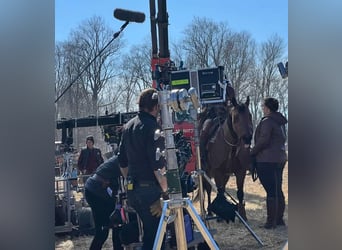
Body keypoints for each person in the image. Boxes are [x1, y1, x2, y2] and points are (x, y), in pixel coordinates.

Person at [118, 88, 168, 250]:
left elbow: (122, 161)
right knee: (156, 237)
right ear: (155, 106)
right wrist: (165, 194)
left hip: (132, 191)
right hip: (150, 193)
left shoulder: (128, 126)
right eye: (159, 107)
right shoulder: (152, 127)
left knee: (150, 233)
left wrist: (131, 180)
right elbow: (157, 165)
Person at [250, 97, 288, 229]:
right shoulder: (280, 122)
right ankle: (279, 219)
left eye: (262, 106)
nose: (262, 108)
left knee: (271, 190)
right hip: (280, 158)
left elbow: (263, 140)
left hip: (267, 160)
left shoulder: (267, 121)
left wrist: (252, 152)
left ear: (267, 108)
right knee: (277, 188)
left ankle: (270, 222)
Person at [84, 155, 123, 250]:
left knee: (115, 225)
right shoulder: (125, 158)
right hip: (97, 193)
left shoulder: (120, 157)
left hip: (95, 190)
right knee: (104, 230)